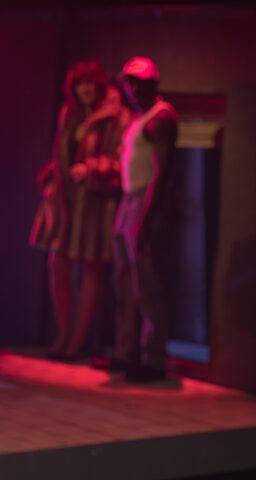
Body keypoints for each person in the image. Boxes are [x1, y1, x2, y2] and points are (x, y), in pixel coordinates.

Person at [30, 60, 131, 360]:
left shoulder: (116, 115)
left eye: (89, 82)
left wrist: (92, 167)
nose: (85, 89)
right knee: (57, 263)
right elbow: (60, 153)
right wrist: (53, 178)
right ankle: (64, 334)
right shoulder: (70, 114)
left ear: (99, 84)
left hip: (95, 201)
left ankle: (77, 340)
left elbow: (122, 159)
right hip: (67, 199)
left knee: (91, 267)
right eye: (79, 84)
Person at [92, 57, 177, 382]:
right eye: (130, 83)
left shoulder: (161, 117)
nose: (133, 89)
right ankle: (126, 352)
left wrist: (147, 217)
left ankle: (152, 359)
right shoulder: (139, 118)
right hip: (129, 200)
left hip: (145, 200)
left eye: (139, 83)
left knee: (147, 282)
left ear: (153, 84)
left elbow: (161, 171)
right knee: (124, 282)